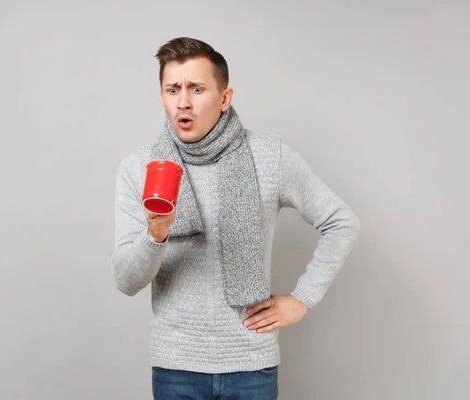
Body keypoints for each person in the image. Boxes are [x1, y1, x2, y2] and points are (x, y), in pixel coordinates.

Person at [111, 37, 361, 399]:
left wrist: (302, 298)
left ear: (225, 98)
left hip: (251, 366)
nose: (183, 102)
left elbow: (342, 222)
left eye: (197, 89)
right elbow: (125, 280)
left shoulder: (269, 156)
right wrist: (156, 235)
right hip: (176, 367)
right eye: (172, 89)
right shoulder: (140, 167)